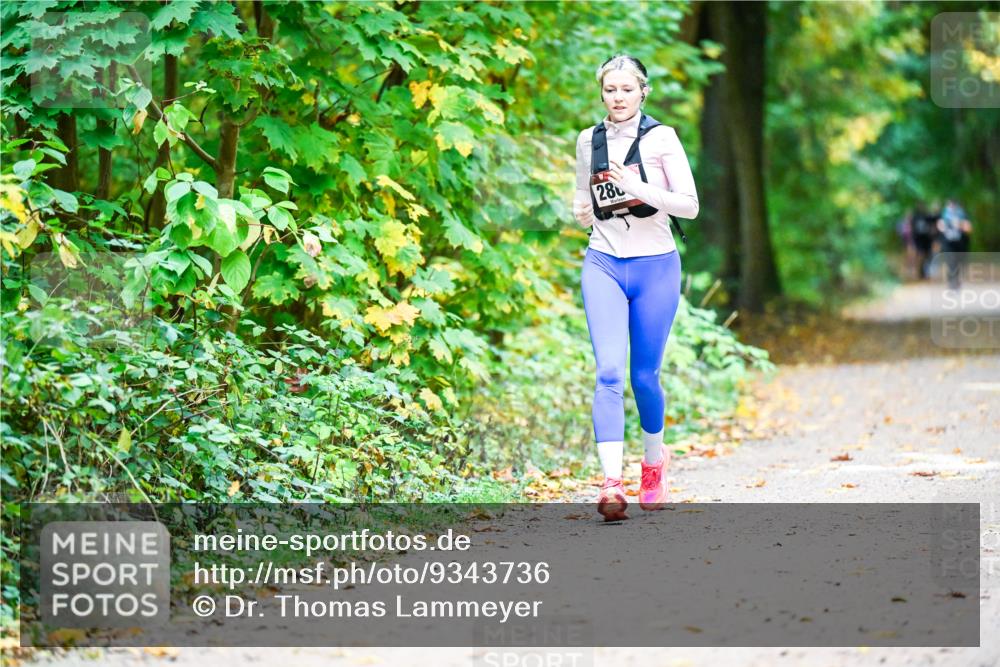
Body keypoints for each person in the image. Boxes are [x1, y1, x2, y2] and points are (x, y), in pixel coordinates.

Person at [571, 54, 699, 521]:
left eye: (627, 89)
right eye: (610, 90)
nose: (618, 97)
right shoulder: (589, 140)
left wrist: (638, 187)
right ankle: (610, 484)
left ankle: (653, 462)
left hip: (655, 267)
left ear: (642, 92)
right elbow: (581, 199)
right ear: (602, 93)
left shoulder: (662, 138)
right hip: (603, 262)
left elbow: (689, 206)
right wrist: (581, 212)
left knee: (643, 376)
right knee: (608, 372)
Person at [937, 198, 973, 289]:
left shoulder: (961, 214)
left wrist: (960, 225)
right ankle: (952, 281)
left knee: (958, 262)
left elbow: (968, 228)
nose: (951, 207)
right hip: (948, 243)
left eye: (952, 205)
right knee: (950, 261)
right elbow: (940, 226)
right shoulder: (944, 214)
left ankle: (956, 280)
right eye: (949, 205)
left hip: (960, 243)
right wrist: (943, 227)